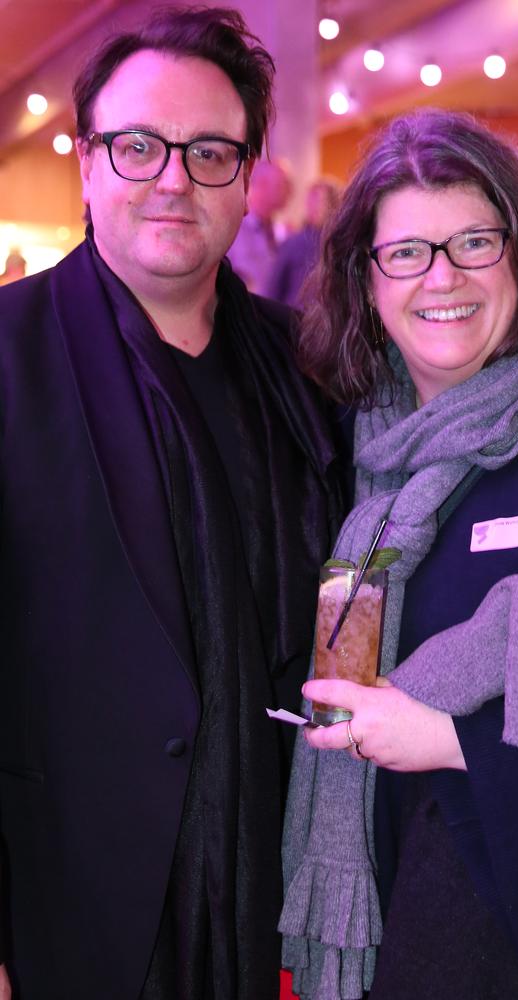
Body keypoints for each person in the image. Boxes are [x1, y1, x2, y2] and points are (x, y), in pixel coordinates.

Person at [0, 7, 344, 1000]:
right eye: (139, 146)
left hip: (284, 895)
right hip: (69, 906)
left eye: (208, 152)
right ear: (87, 162)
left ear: (246, 179)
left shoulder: (308, 367)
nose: (172, 179)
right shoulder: (10, 354)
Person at [280, 110, 518, 1000]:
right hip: (376, 921)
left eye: (473, 242)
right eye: (406, 252)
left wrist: (451, 739)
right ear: (367, 282)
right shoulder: (355, 450)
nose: (441, 277)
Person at [265, 177, 341, 307]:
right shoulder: (293, 244)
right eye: (311, 200)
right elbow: (273, 289)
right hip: (293, 319)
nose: (314, 206)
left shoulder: (342, 245)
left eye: (320, 201)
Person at [227, 158, 293, 293]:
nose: (289, 191)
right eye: (283, 184)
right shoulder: (234, 229)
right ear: (263, 185)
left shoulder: (279, 231)